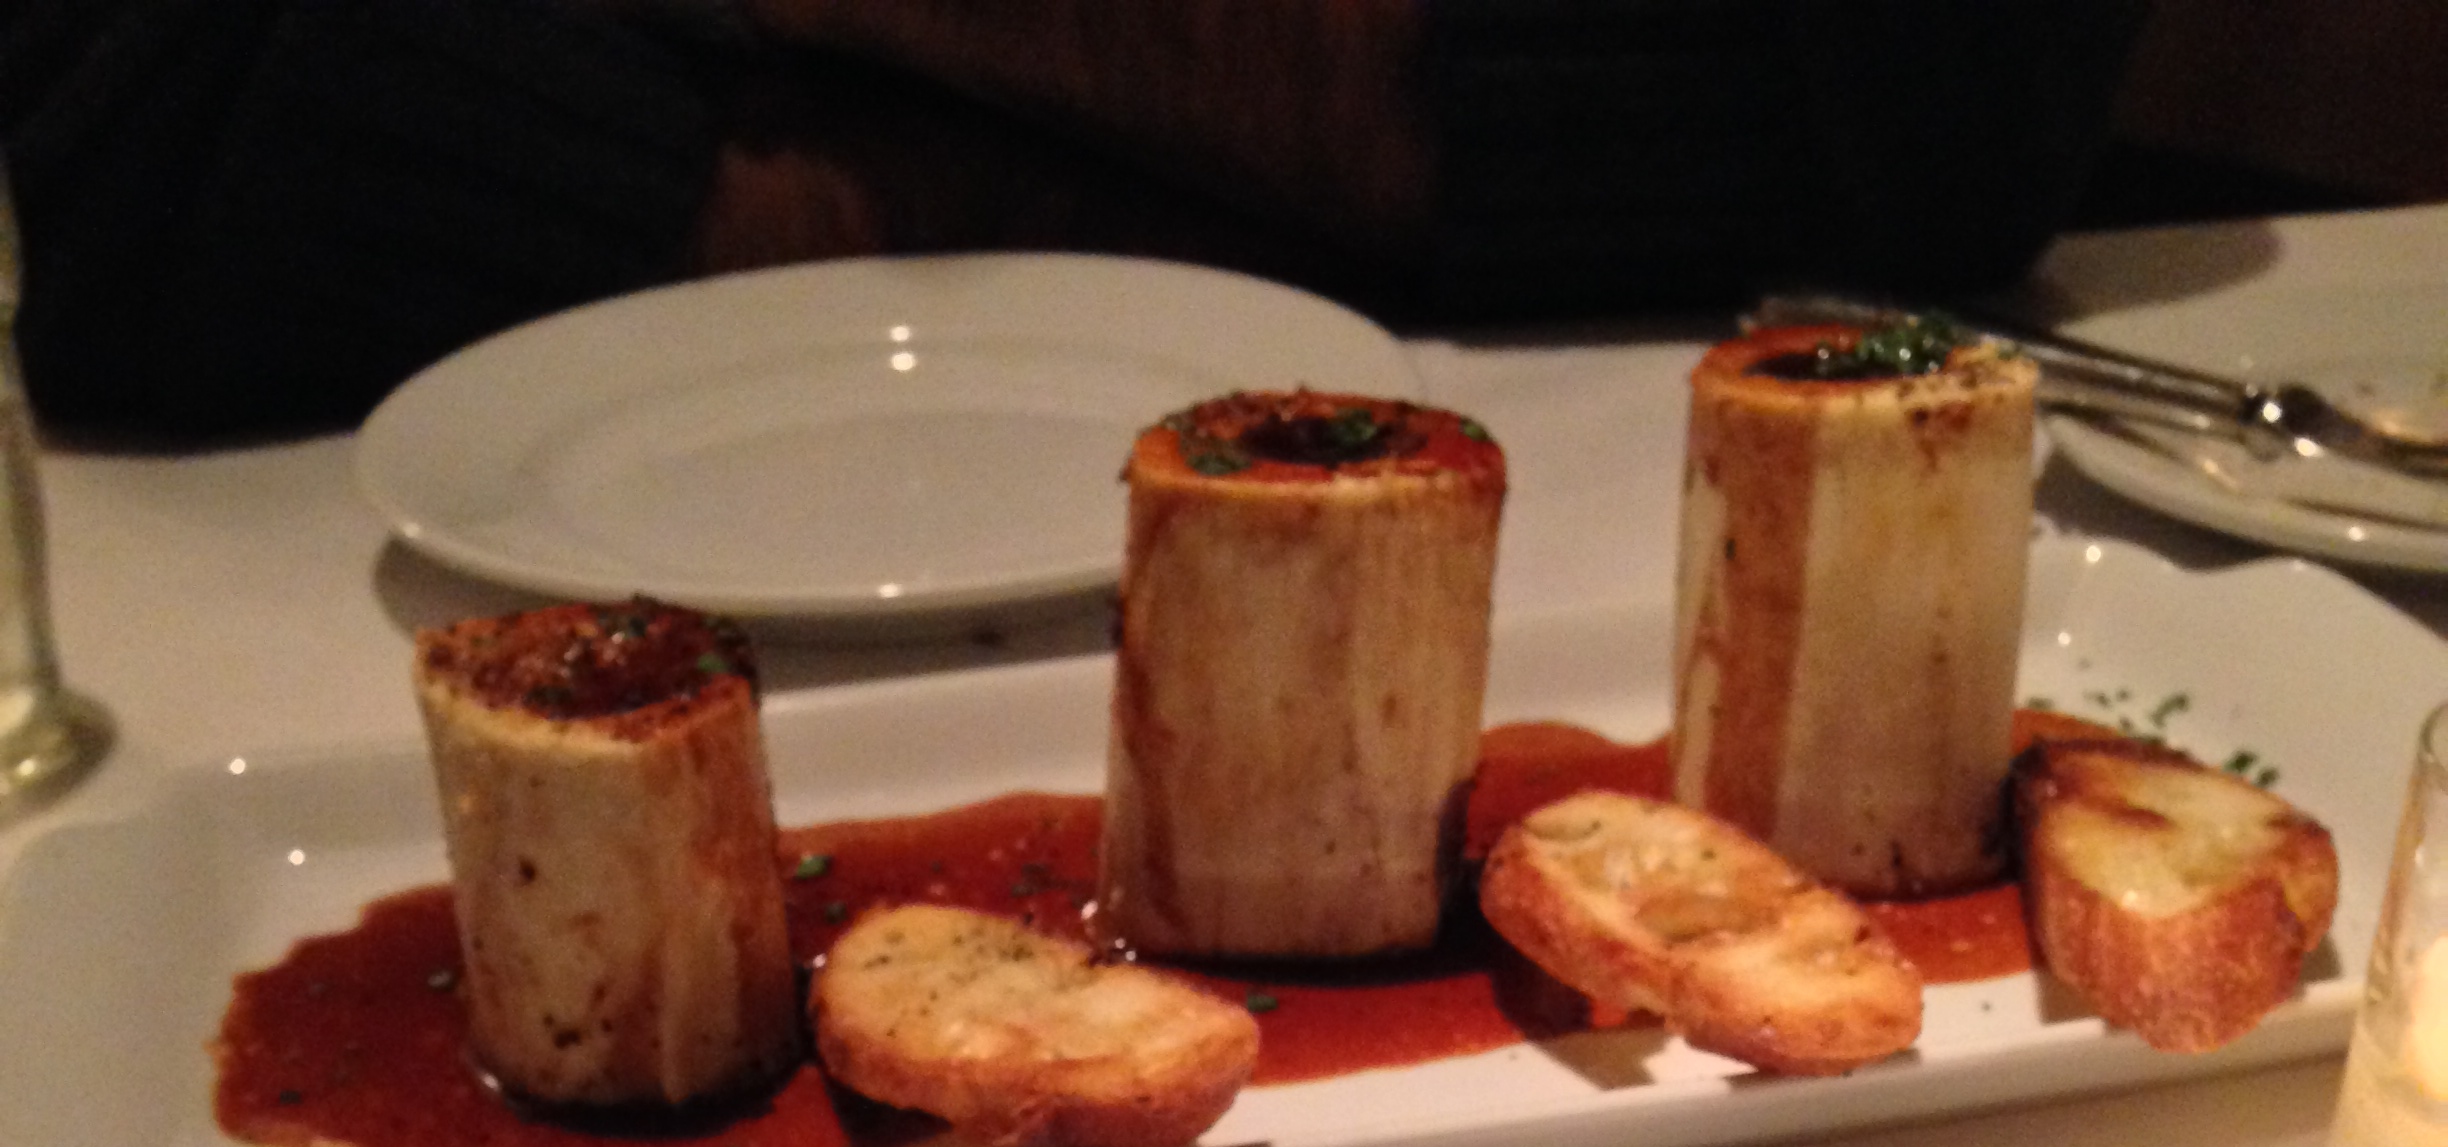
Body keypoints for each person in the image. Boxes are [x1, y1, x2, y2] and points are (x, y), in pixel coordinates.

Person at [0, 0, 2148, 443]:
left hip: (1588, 474)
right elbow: (168, 186)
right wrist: (1327, 153)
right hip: (391, 545)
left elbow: (1938, 119)